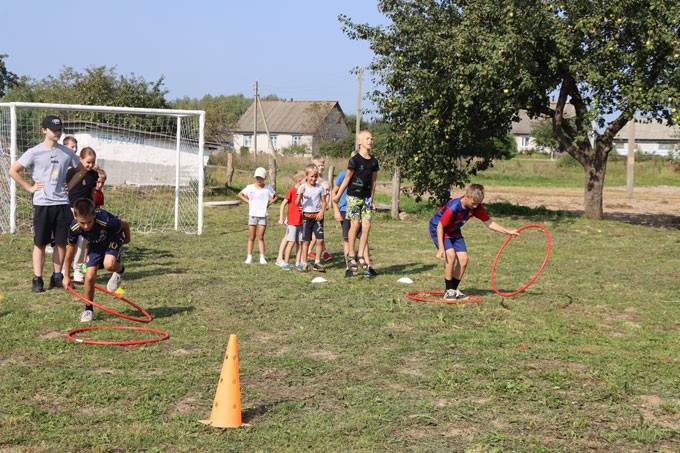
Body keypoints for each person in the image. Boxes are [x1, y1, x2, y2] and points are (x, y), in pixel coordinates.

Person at [8, 115, 88, 293]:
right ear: (44, 130)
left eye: (60, 130)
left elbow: (81, 170)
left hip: (61, 203)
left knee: (61, 242)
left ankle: (57, 276)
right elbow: (13, 170)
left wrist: (70, 185)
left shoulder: (67, 152)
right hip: (42, 204)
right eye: (54, 130)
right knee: (40, 243)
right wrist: (29, 187)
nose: (57, 133)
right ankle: (37, 279)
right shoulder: (34, 152)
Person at [429, 183, 519, 300]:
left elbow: (489, 223)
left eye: (478, 204)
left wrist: (507, 231)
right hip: (439, 229)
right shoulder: (454, 207)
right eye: (473, 203)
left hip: (454, 230)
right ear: (466, 196)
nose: (475, 206)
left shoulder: (476, 207)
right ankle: (448, 291)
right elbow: (440, 226)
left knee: (464, 259)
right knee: (450, 255)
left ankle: (453, 290)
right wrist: (441, 248)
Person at [63, 198, 130, 322]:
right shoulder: (74, 228)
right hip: (95, 244)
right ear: (75, 216)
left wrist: (127, 240)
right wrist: (66, 275)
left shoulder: (106, 220)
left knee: (109, 264)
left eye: (89, 222)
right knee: (89, 277)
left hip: (112, 239)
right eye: (83, 223)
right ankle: (88, 309)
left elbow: (124, 225)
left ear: (94, 214)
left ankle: (120, 270)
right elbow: (70, 251)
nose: (86, 226)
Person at [332, 130, 379, 276]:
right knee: (355, 224)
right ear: (360, 141)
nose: (370, 140)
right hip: (353, 197)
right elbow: (346, 179)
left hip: (365, 198)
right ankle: (351, 255)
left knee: (367, 225)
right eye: (367, 138)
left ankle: (361, 254)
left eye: (371, 138)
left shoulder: (374, 162)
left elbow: (373, 182)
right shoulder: (355, 160)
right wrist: (338, 195)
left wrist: (371, 200)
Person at [65, 147, 99, 282]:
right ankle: (64, 269)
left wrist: (94, 206)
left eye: (93, 162)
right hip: (72, 209)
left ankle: (78, 270)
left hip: (87, 212)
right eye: (88, 162)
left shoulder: (94, 175)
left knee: (83, 241)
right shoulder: (72, 172)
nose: (90, 165)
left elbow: (92, 193)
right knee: (69, 241)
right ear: (80, 159)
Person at [238, 167, 278, 264]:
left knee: (260, 237)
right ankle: (249, 256)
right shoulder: (250, 187)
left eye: (261, 178)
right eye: (257, 178)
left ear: (265, 178)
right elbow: (240, 194)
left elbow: (275, 196)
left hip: (262, 215)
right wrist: (249, 201)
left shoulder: (268, 188)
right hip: (252, 215)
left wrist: (269, 203)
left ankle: (262, 257)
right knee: (252, 237)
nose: (259, 180)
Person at [296, 164, 327, 272]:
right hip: (306, 217)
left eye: (315, 176)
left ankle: (317, 262)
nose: (313, 179)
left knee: (320, 240)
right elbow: (296, 203)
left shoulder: (320, 188)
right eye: (311, 176)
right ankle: (304, 263)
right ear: (307, 176)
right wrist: (301, 194)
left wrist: (322, 211)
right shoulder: (302, 187)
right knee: (306, 241)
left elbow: (324, 202)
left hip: (317, 217)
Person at [276, 171, 305, 270]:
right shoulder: (291, 191)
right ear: (299, 181)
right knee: (291, 242)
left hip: (301, 221)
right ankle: (286, 262)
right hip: (292, 221)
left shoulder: (305, 191)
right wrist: (281, 218)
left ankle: (298, 263)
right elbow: (282, 205)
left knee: (300, 242)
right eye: (305, 180)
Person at [308, 155, 332, 262]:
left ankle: (323, 251)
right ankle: (309, 251)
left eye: (322, 165)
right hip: (312, 208)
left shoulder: (323, 178)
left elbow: (326, 193)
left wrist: (326, 204)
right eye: (318, 165)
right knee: (315, 232)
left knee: (319, 231)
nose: (321, 167)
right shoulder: (314, 179)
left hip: (320, 207)